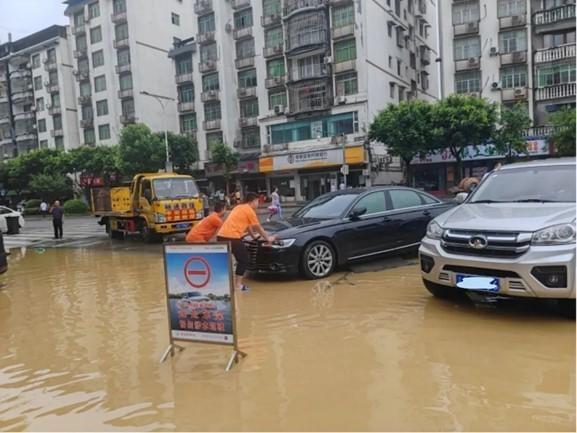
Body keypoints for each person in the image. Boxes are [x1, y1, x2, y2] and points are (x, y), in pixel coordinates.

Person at [217, 192, 276, 292]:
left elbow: (248, 225)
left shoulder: (239, 207)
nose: (258, 204)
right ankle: (238, 285)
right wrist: (268, 238)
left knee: (226, 261)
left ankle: (222, 285)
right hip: (232, 237)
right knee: (244, 259)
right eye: (258, 201)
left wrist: (253, 236)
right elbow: (258, 227)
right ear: (253, 201)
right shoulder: (249, 210)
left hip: (221, 236)